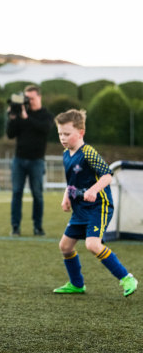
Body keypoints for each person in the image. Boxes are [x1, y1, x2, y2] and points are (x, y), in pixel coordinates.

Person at [52, 109, 138, 297]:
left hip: (98, 207)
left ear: (81, 133)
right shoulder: (66, 154)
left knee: (92, 244)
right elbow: (71, 181)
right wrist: (66, 196)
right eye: (60, 134)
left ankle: (127, 277)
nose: (62, 138)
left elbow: (107, 175)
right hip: (79, 210)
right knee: (65, 247)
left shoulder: (88, 152)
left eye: (67, 134)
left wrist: (93, 190)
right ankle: (76, 284)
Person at [6, 84, 54, 236]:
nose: (29, 101)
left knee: (37, 194)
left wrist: (27, 118)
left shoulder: (45, 115)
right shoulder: (21, 113)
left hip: (37, 161)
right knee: (16, 192)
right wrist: (13, 118)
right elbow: (10, 134)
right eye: (27, 98)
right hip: (19, 160)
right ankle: (15, 226)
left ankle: (38, 226)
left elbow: (45, 129)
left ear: (39, 97)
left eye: (32, 98)